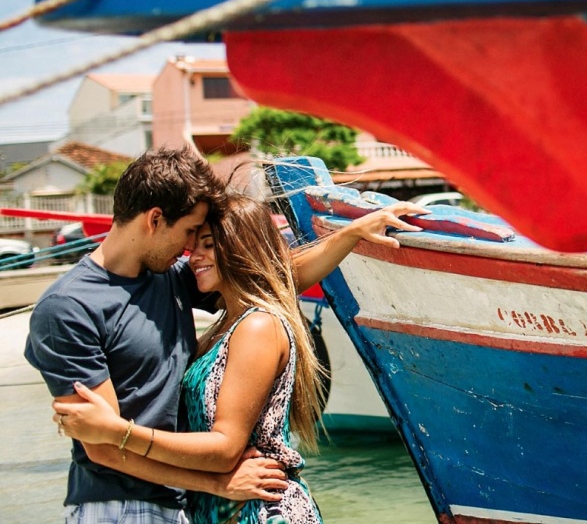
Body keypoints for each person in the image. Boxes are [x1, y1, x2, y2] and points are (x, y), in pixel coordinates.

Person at [26, 147, 425, 524]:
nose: (188, 249)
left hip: (183, 502)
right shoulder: (68, 307)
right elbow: (102, 443)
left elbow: (264, 275)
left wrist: (351, 234)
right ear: (154, 220)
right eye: (188, 232)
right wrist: (216, 484)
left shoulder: (166, 280)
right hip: (121, 505)